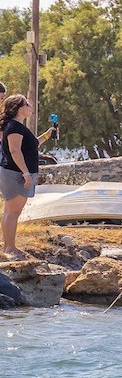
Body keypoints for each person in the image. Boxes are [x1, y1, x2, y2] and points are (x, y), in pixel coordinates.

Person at [2, 95, 56, 259]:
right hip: (16, 173)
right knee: (13, 212)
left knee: (10, 211)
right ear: (19, 108)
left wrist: (47, 135)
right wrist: (25, 173)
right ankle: (10, 248)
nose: (31, 105)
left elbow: (32, 146)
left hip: (16, 172)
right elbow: (15, 151)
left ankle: (8, 246)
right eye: (27, 104)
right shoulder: (15, 128)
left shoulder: (17, 126)